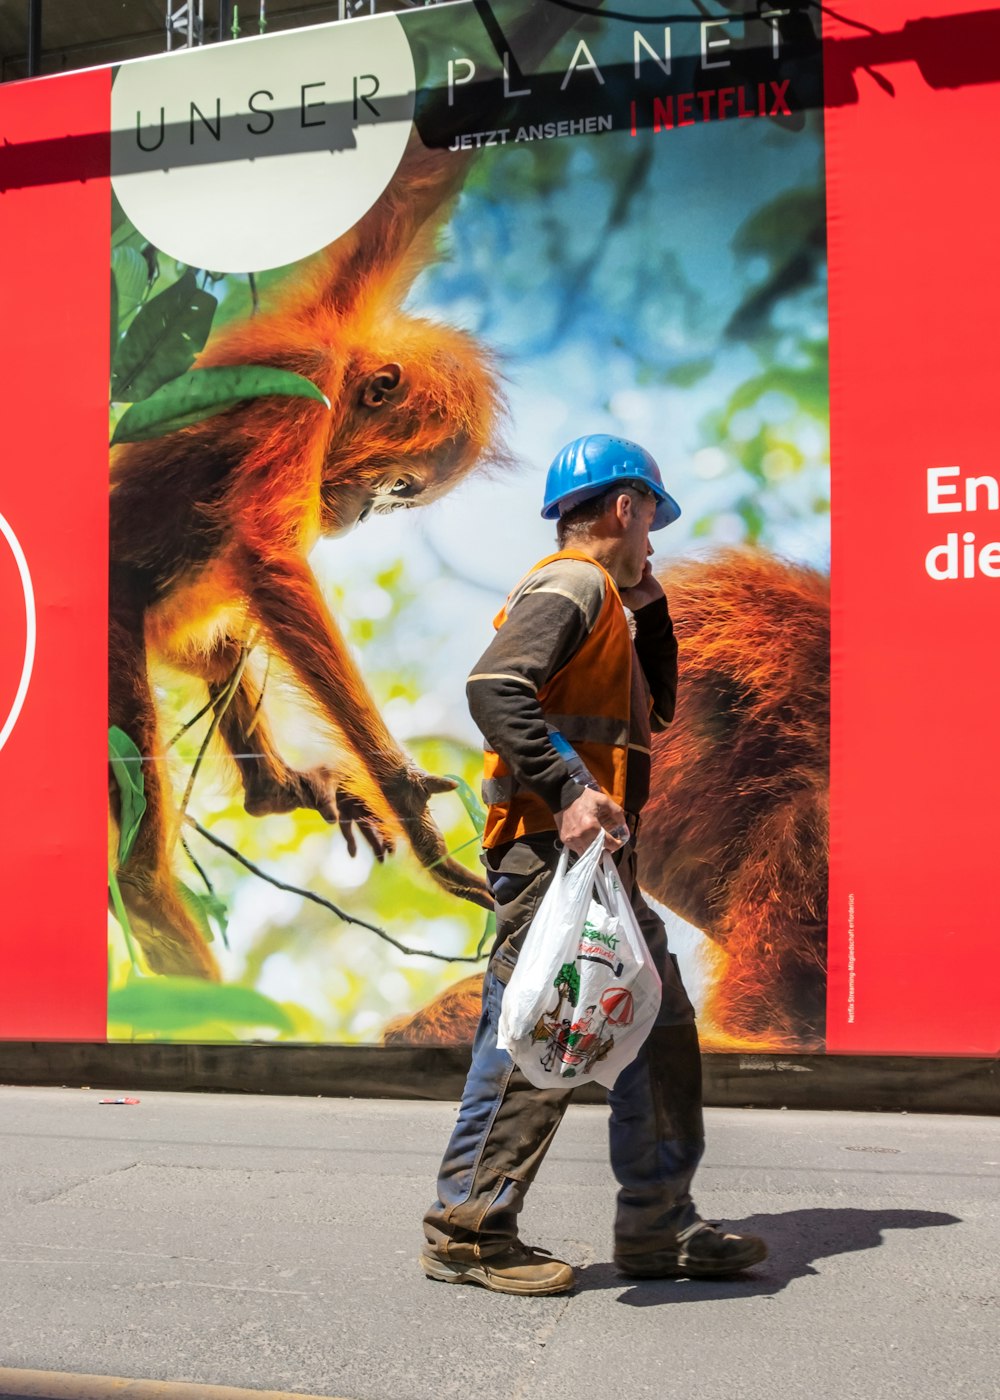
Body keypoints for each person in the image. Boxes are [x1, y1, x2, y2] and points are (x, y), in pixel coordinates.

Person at [421, 434, 768, 1295]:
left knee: (659, 1032)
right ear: (626, 506)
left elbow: (662, 708)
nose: (655, 539)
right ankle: (467, 1230)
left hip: (597, 862)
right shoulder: (571, 583)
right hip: (551, 854)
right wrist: (571, 790)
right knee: (533, 1036)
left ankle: (658, 1226)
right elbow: (494, 687)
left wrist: (647, 606)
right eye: (652, 518)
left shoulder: (609, 602)